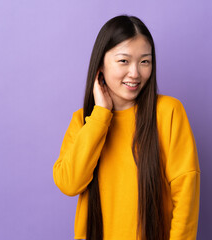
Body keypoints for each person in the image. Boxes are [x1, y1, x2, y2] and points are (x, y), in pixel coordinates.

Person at [53, 15, 200, 240]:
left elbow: (186, 192)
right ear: (100, 64)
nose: (135, 73)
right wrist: (101, 115)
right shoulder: (84, 121)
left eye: (145, 61)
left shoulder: (168, 112)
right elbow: (69, 183)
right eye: (124, 61)